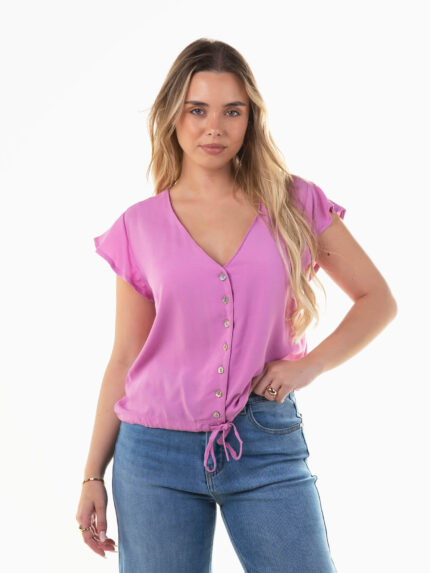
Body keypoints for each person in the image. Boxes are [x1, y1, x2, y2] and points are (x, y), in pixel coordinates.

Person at [75, 38, 397, 572]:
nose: (214, 128)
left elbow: (377, 299)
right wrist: (92, 474)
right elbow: (125, 356)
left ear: (251, 120)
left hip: (263, 441)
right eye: (197, 110)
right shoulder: (139, 226)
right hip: (152, 455)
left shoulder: (294, 203)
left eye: (232, 111)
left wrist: (308, 366)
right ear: (173, 116)